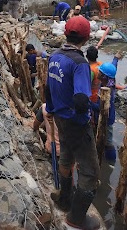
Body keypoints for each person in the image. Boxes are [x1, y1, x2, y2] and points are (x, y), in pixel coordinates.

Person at [46, 16, 100, 229]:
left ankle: (64, 198)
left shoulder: (55, 56)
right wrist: (85, 114)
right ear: (86, 39)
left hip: (60, 118)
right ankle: (75, 219)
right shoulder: (80, 64)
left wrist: (50, 108)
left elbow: (47, 87)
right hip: (76, 123)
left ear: (65, 33)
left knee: (67, 157)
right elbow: (80, 99)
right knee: (90, 172)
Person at [90, 52, 123, 162]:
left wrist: (87, 103)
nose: (98, 72)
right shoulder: (109, 80)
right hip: (103, 116)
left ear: (103, 76)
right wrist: (115, 58)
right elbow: (113, 67)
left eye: (100, 71)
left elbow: (101, 108)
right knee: (100, 136)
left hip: (106, 118)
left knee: (108, 141)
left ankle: (111, 162)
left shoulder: (108, 91)